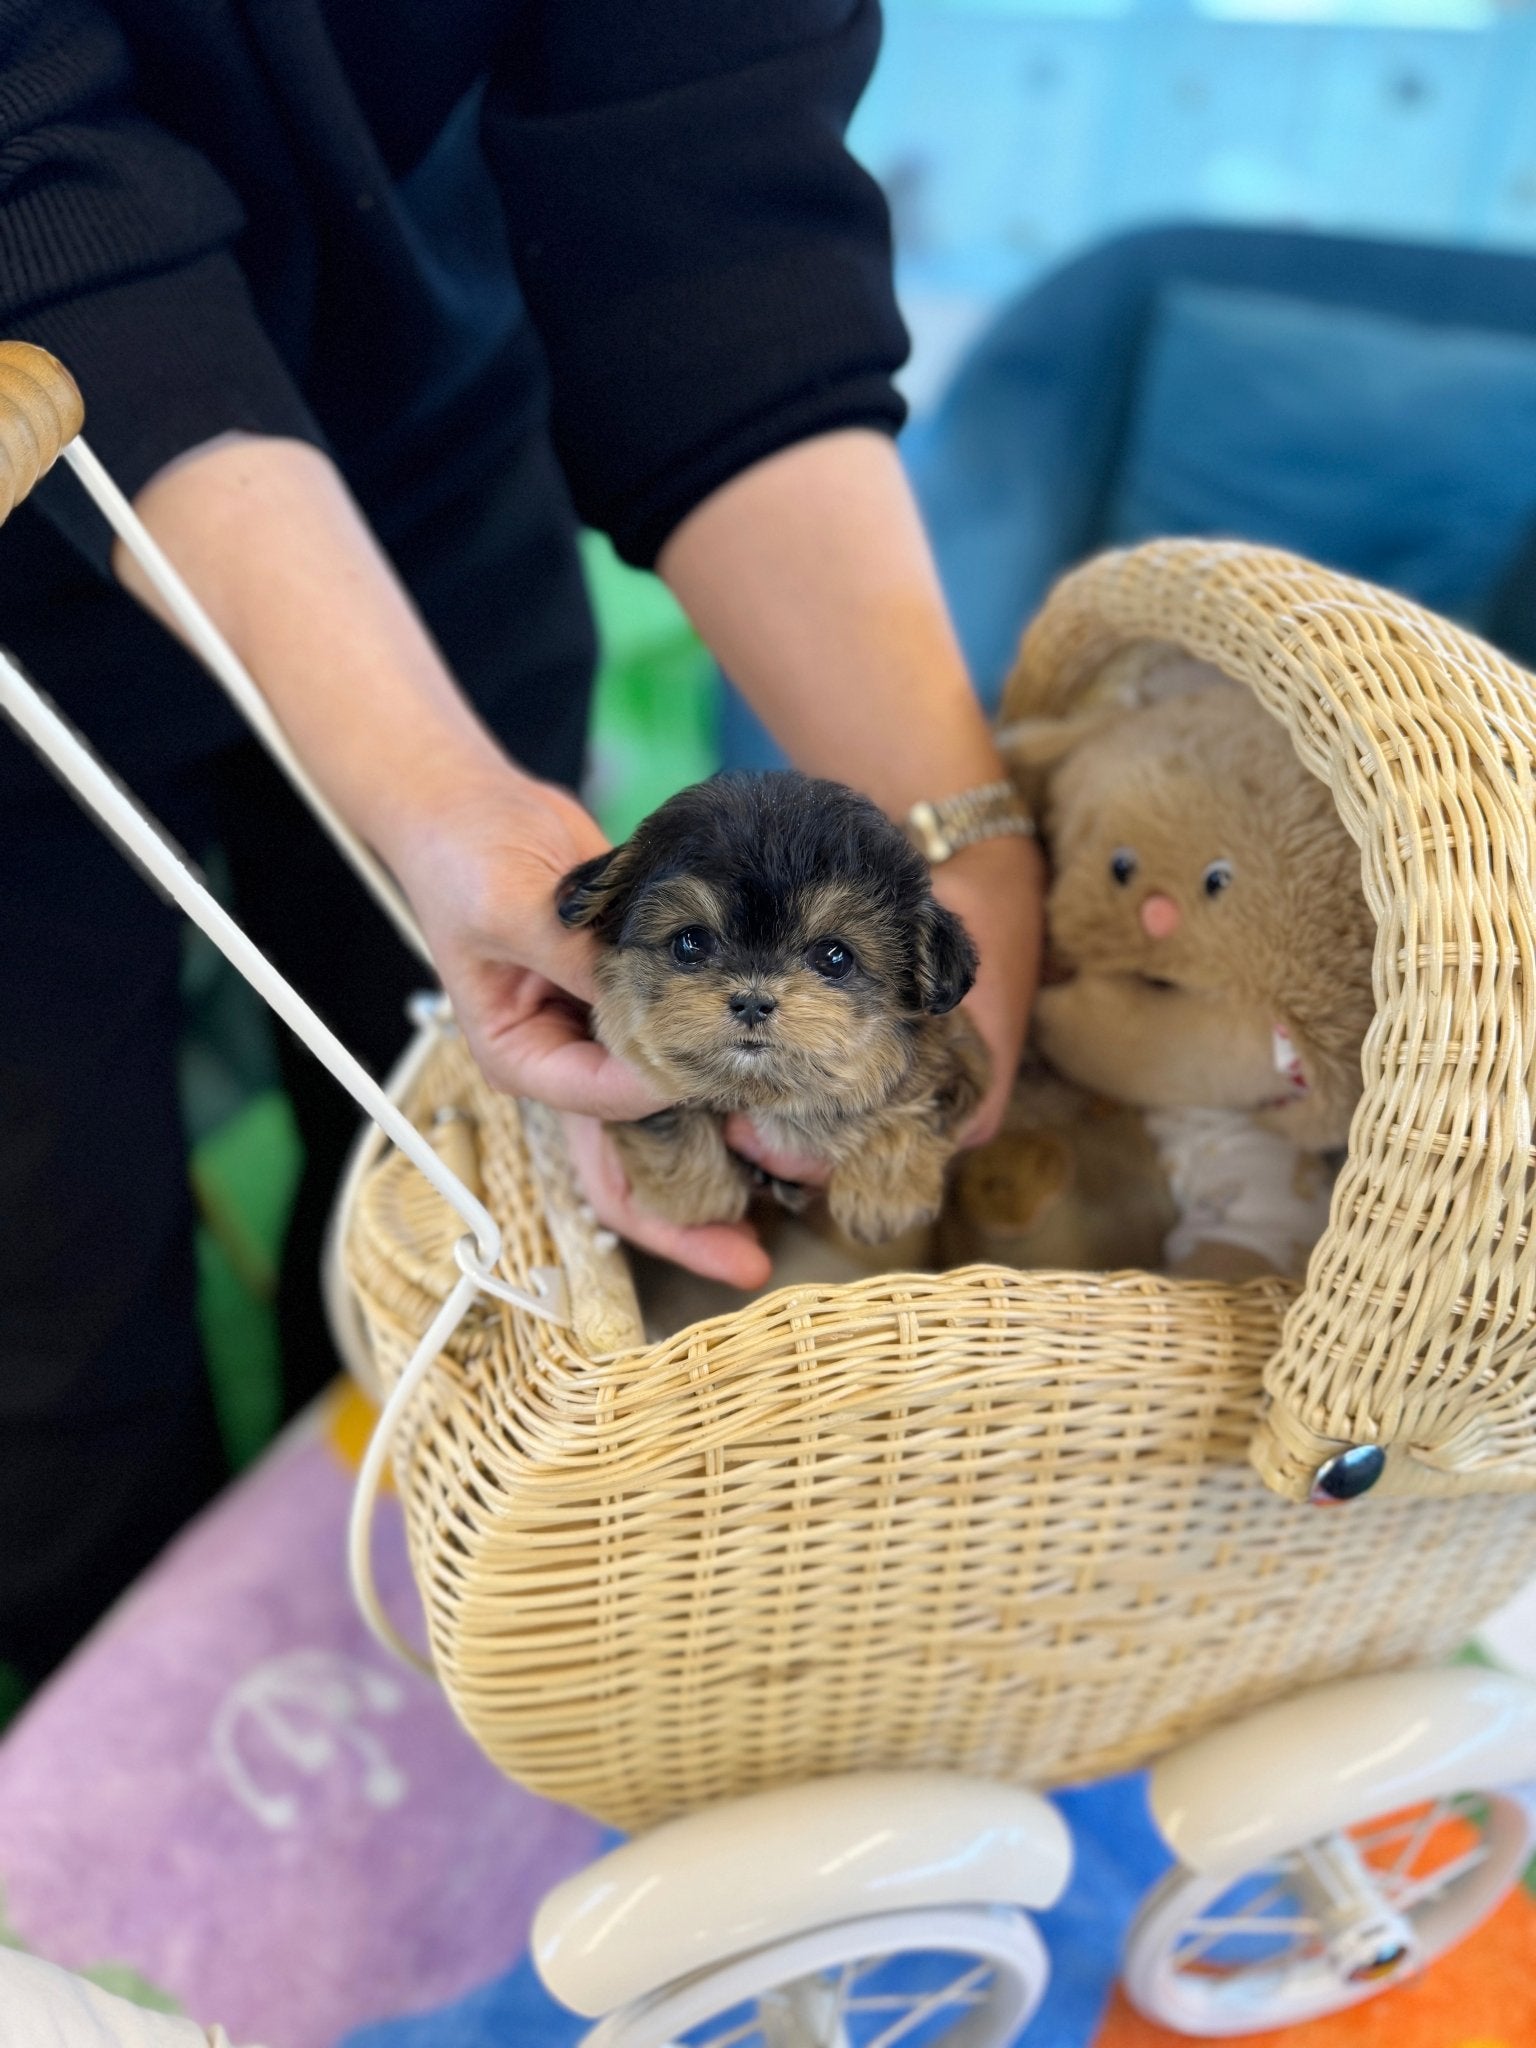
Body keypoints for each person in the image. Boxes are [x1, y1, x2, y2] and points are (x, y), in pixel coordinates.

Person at [0, 0, 1042, 1687]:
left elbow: (703, 161)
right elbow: (31, 174)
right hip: (21, 554)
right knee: (51, 1287)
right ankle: (120, 1760)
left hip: (426, 438)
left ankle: (448, 1615)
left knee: (465, 1182)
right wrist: (432, 788)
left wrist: (967, 833)